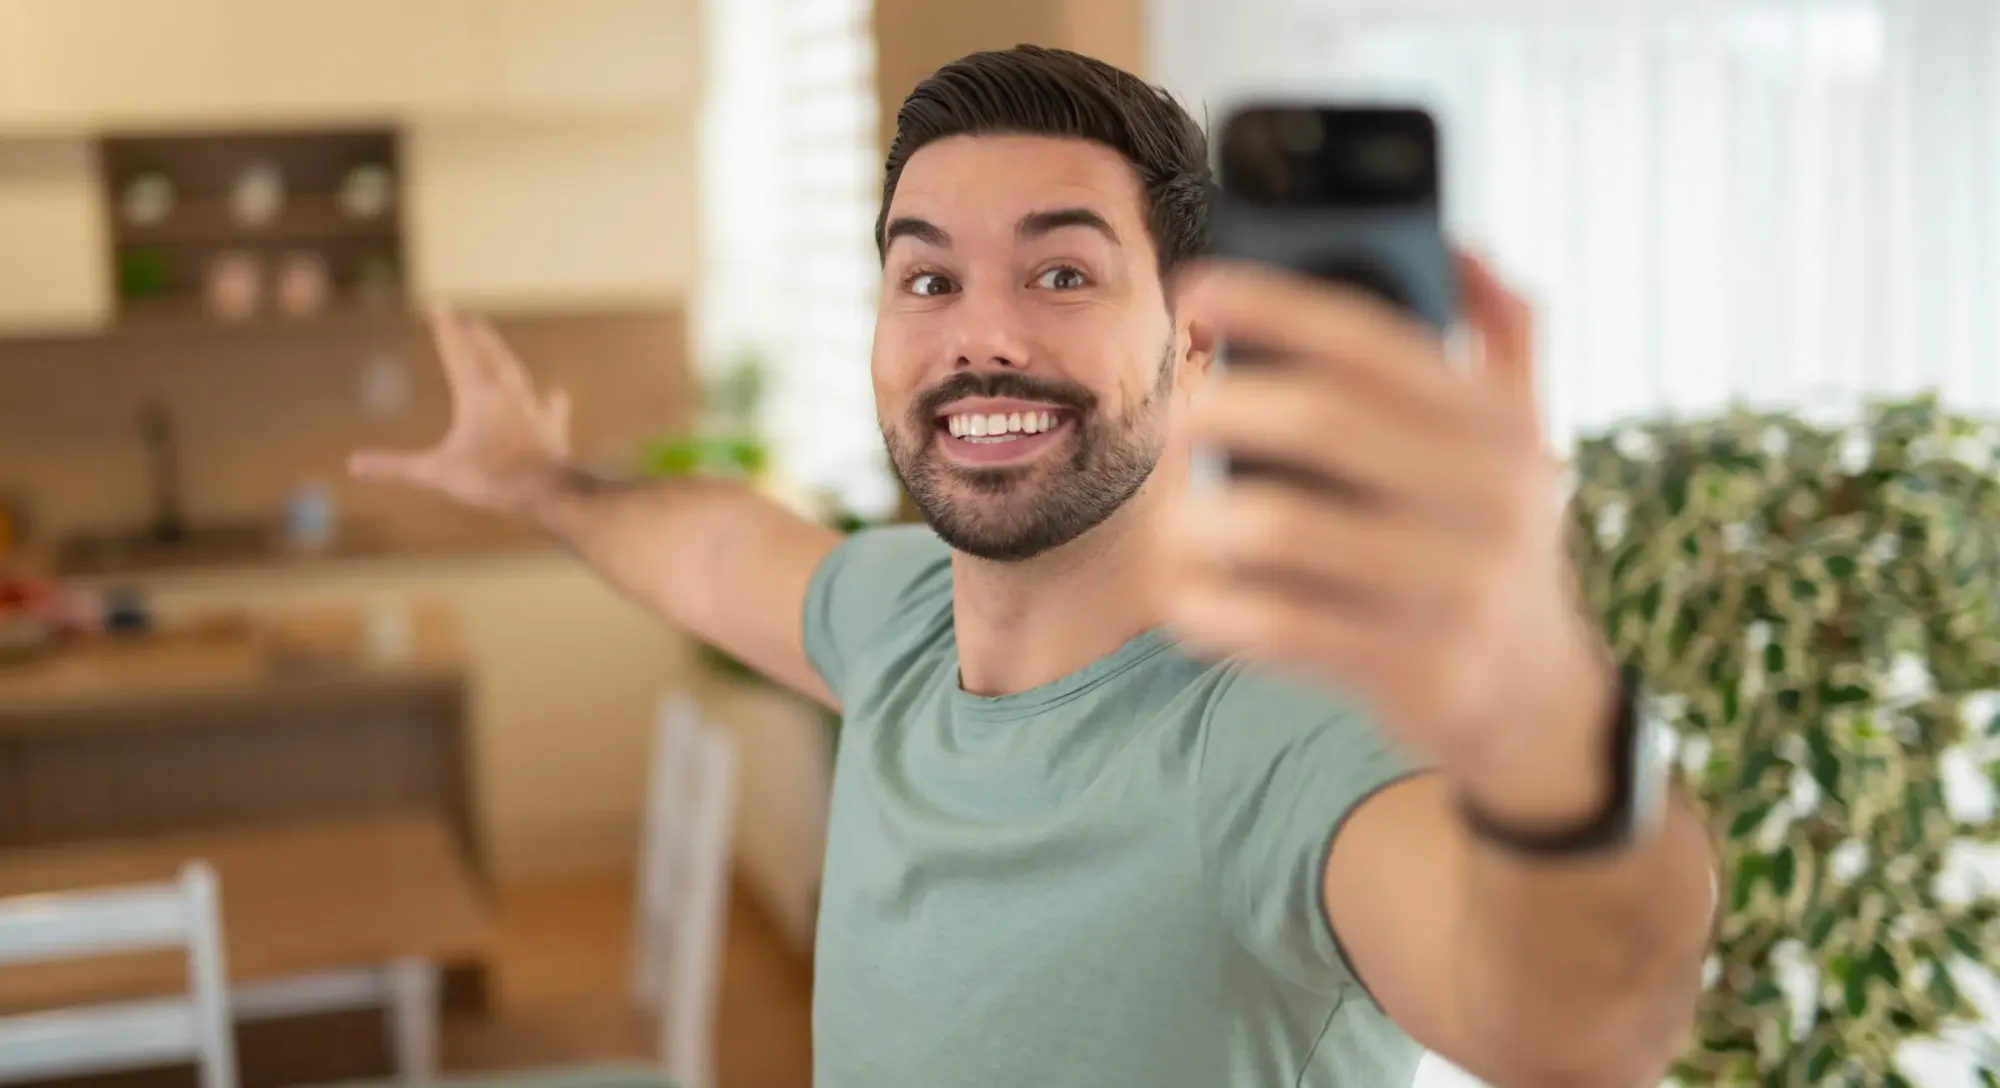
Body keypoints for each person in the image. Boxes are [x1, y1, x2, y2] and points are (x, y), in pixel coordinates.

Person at [352, 45, 1717, 1088]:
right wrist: (542, 484)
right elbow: (706, 548)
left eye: (1062, 275)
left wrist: (1545, 713)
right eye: (927, 280)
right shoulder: (895, 620)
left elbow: (1572, 1027)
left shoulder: (1276, 727)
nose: (979, 336)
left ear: (1196, 338)